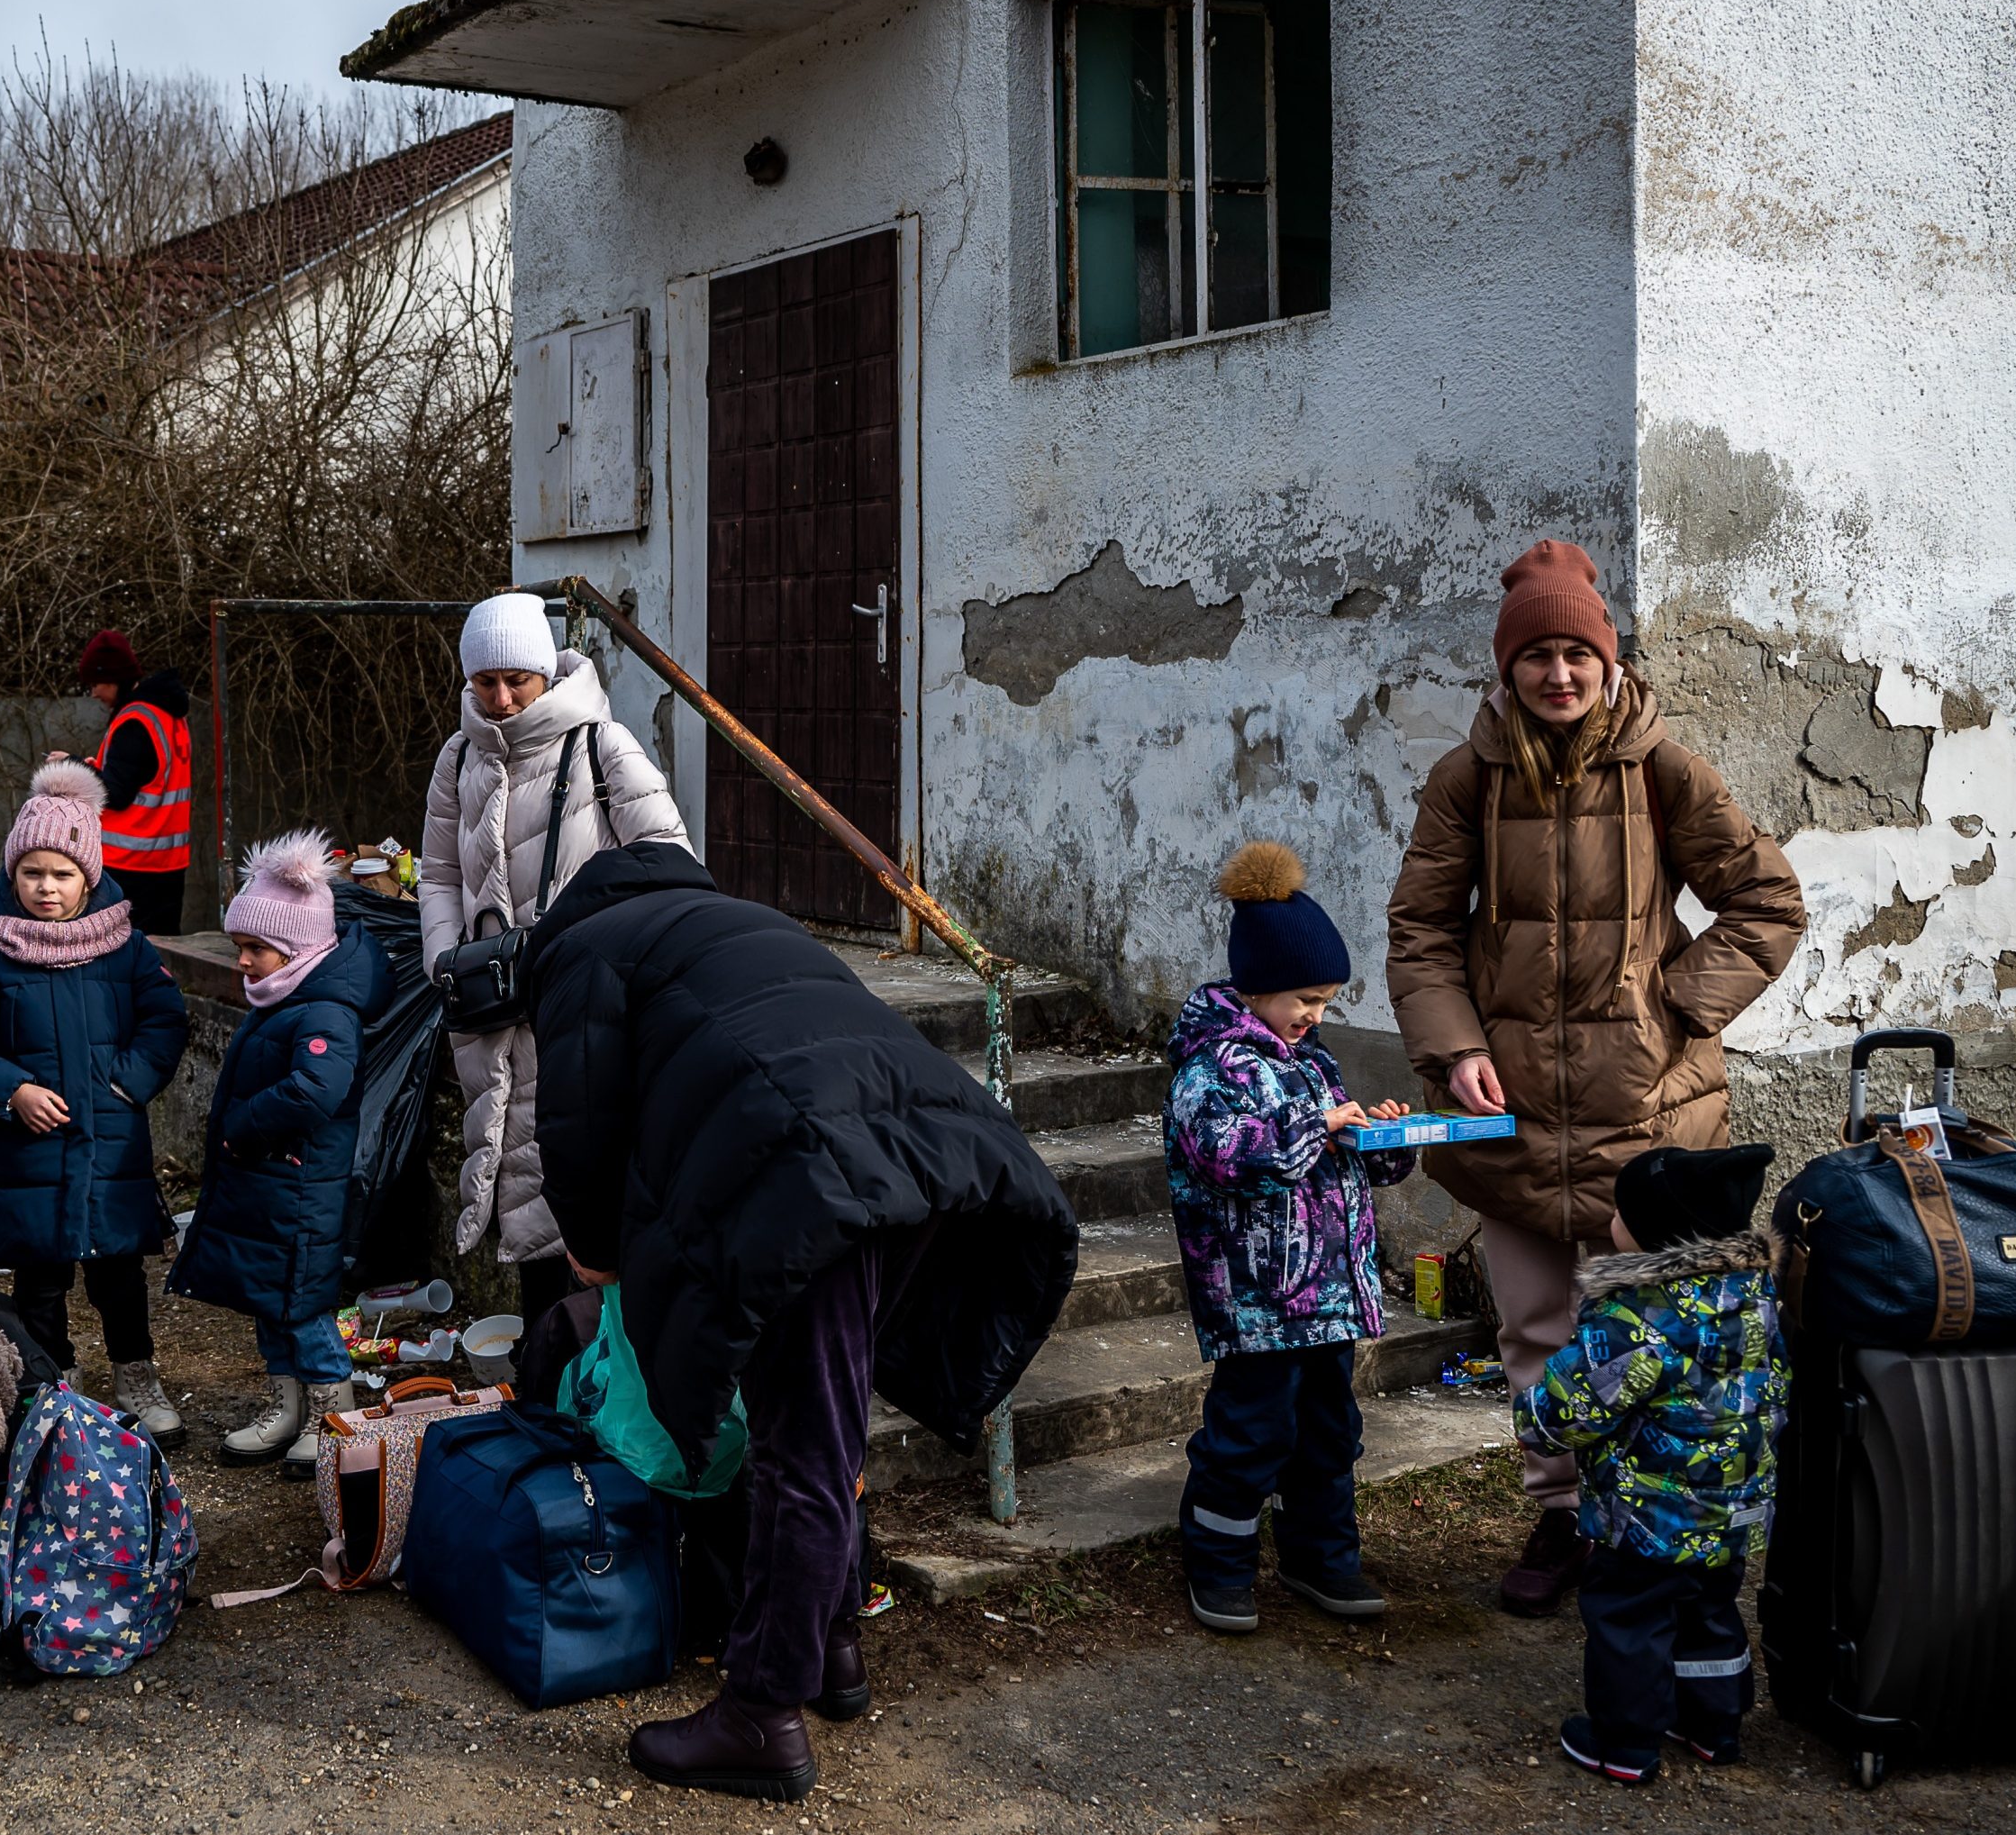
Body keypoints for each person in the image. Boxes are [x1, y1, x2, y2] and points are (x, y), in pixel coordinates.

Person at [525, 840, 1076, 1803]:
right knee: (824, 1424)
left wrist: (592, 1246)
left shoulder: (585, 949)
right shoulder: (746, 922)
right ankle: (831, 1646)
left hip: (800, 1173)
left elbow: (573, 1118)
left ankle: (761, 1712)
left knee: (798, 1453)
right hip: (927, 1150)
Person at [1385, 539, 1804, 1618]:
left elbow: (1767, 903)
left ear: (1607, 660)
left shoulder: (1664, 767)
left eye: (1578, 652)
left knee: (1650, 1333)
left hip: (1647, 1112)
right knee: (1532, 1327)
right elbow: (1421, 928)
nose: (1559, 674)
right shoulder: (1465, 777)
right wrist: (1454, 1046)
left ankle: (1648, 1515)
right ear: (1508, 666)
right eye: (1538, 656)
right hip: (1511, 1108)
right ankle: (1562, 1512)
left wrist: (1676, 1003)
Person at [1164, 842, 1419, 1636]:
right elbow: (1232, 1156)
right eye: (1306, 998)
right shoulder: (1211, 1069)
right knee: (1251, 1432)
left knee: (1329, 1431)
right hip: (1258, 1300)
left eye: (1326, 1002)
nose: (1315, 1015)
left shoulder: (1313, 1064)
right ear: (1260, 985)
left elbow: (1340, 1164)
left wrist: (1379, 1138)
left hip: (1329, 1298)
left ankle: (1321, 1554)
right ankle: (1220, 1563)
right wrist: (1317, 1124)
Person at [417, 590, 686, 1328]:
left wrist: (596, 953)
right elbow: (437, 872)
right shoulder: (458, 757)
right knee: (525, 1214)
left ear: (545, 671)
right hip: (492, 1016)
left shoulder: (604, 744)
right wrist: (447, 959)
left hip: (583, 1017)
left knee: (587, 1210)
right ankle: (552, 1403)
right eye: (485, 682)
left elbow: (670, 865)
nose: (501, 699)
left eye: (518, 680)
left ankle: (600, 1406)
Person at [1516, 1142, 1787, 1785]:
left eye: (1619, 1208)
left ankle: (1624, 1741)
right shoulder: (1753, 1293)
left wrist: (1534, 1415)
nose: (1610, 1217)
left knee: (1627, 1615)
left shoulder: (1638, 1314)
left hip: (1648, 1513)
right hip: (1733, 1503)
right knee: (1711, 1609)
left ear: (1655, 1230)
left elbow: (1564, 1409)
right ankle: (1713, 1726)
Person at [0, 761, 192, 1438]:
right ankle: (54, 1381)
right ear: (13, 876)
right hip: (31, 1156)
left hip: (110, 1148)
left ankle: (136, 1372)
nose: (46, 887)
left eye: (61, 873)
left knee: (118, 1275)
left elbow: (166, 1021)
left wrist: (130, 1080)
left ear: (89, 875)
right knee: (40, 1281)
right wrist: (11, 1089)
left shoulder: (128, 953)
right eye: (31, 873)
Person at [168, 828, 386, 1473]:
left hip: (299, 1186)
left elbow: (317, 1088)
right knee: (270, 1297)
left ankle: (330, 1411)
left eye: (255, 948)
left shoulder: (326, 1009)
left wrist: (245, 1122)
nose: (242, 961)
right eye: (238, 946)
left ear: (296, 947)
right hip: (269, 1183)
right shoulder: (287, 995)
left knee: (304, 1303)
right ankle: (286, 1405)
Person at [72, 628, 194, 935]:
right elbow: (145, 779)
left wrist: (71, 767)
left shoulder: (134, 721)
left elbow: (116, 791)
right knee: (159, 957)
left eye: (96, 683)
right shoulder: (168, 714)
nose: (94, 693)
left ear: (114, 679)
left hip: (130, 867)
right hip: (167, 865)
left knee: (118, 954)